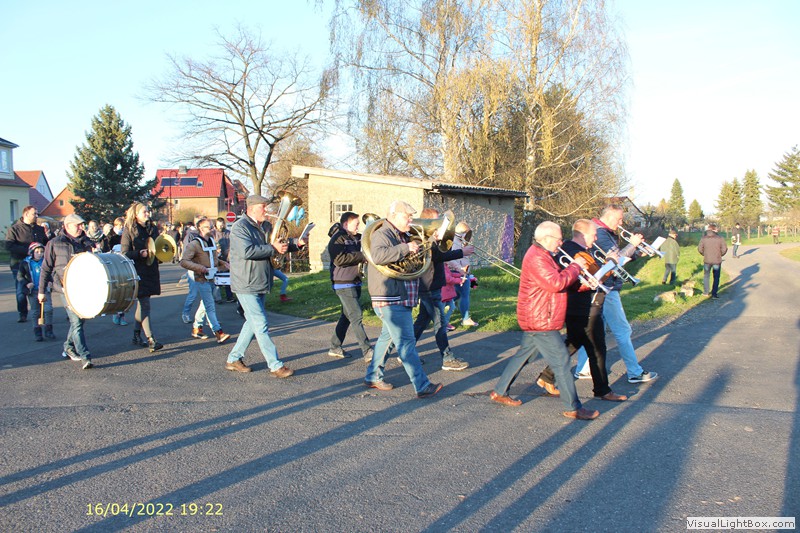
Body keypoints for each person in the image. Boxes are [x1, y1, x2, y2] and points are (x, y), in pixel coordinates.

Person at [489, 221, 599, 420]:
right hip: (540, 319)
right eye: (559, 239)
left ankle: (500, 391)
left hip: (538, 316)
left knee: (524, 355)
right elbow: (556, 283)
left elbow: (559, 281)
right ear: (547, 238)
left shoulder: (544, 254)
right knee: (562, 360)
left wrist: (583, 283)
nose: (561, 243)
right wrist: (576, 266)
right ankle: (573, 407)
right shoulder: (537, 257)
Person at [533, 220, 627, 403]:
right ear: (582, 235)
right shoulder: (575, 252)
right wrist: (611, 262)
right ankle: (602, 390)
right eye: (593, 235)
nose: (596, 238)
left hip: (577, 304)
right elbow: (596, 276)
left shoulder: (571, 248)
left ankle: (547, 377)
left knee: (574, 341)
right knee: (597, 349)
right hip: (584, 305)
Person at [363, 200, 442, 398]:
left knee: (386, 339)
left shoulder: (401, 235)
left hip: (399, 296)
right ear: (394, 216)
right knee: (406, 343)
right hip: (390, 298)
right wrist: (406, 248)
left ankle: (373, 376)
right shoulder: (383, 234)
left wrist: (429, 242)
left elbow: (414, 254)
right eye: (407, 216)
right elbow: (378, 256)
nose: (410, 220)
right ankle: (422, 385)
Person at [573, 205, 659, 384]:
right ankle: (634, 372)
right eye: (619, 219)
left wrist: (637, 252)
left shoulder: (604, 233)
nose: (621, 223)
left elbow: (618, 257)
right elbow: (616, 260)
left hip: (603, 287)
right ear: (609, 216)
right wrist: (632, 244)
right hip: (607, 287)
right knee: (623, 330)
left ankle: (583, 368)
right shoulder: (601, 234)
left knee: (595, 330)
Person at [225, 194, 305, 376]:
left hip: (260, 280)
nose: (267, 210)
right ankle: (275, 365)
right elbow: (247, 251)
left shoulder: (265, 226)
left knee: (252, 323)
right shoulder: (240, 227)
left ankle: (233, 358)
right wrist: (273, 248)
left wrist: (296, 244)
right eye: (263, 207)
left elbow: (279, 243)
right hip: (246, 282)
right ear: (252, 208)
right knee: (260, 323)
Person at [411, 208, 473, 371]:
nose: (440, 224)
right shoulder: (421, 239)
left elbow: (440, 255)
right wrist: (461, 252)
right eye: (437, 220)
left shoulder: (431, 239)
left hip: (433, 284)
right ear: (428, 222)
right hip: (429, 285)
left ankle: (406, 353)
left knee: (422, 322)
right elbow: (437, 257)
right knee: (440, 323)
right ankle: (448, 358)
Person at [38, 214, 94, 369]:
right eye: (77, 225)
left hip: (82, 288)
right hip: (64, 288)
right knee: (76, 321)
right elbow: (46, 268)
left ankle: (68, 347)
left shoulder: (86, 242)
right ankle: (85, 356)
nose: (81, 227)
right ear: (67, 226)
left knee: (81, 319)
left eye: (82, 225)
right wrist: (41, 291)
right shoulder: (54, 243)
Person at [326, 211, 373, 362]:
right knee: (356, 315)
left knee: (347, 316)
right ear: (346, 224)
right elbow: (339, 259)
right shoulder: (337, 239)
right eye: (356, 224)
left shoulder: (357, 237)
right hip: (343, 282)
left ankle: (335, 346)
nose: (359, 226)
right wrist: (362, 256)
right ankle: (367, 350)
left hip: (355, 281)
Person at [180, 217, 231, 344]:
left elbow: (214, 259)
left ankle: (196, 328)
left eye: (212, 226)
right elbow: (184, 261)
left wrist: (223, 263)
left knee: (205, 304)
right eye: (209, 227)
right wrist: (200, 268)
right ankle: (218, 332)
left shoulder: (212, 241)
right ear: (201, 229)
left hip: (212, 277)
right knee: (210, 306)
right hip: (201, 279)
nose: (212, 229)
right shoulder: (194, 244)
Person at [121, 202, 164, 353]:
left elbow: (158, 246)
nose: (147, 214)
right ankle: (151, 339)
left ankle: (136, 335)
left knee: (143, 304)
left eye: (147, 211)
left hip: (151, 270)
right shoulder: (129, 229)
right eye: (144, 212)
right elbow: (125, 253)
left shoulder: (152, 228)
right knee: (145, 304)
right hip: (137, 271)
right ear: (136, 214)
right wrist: (139, 253)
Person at [5, 205, 48, 322]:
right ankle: (22, 313)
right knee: (21, 290)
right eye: (34, 214)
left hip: (37, 264)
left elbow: (46, 243)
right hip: (19, 264)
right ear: (26, 214)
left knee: (39, 288)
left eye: (37, 213)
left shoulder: (39, 229)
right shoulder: (14, 229)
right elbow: (9, 245)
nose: (36, 216)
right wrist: (27, 251)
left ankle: (40, 313)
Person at [18, 242, 54, 341]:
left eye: (42, 251)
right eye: (37, 252)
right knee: (35, 311)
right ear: (32, 252)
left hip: (44, 290)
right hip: (33, 291)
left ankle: (48, 329)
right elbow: (20, 276)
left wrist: (50, 281)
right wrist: (26, 283)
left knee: (48, 309)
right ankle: (37, 331)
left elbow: (51, 273)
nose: (40, 254)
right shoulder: (25, 263)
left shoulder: (46, 262)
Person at [446, 222, 479, 327]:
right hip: (458, 271)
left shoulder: (460, 241)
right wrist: (460, 269)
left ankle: (445, 308)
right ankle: (465, 318)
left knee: (457, 295)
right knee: (465, 294)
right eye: (467, 233)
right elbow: (449, 258)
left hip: (462, 271)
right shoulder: (454, 242)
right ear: (462, 232)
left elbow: (462, 257)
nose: (468, 236)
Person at [180, 215, 203, 323]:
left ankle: (206, 317)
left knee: (207, 296)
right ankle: (185, 313)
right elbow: (186, 253)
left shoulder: (206, 236)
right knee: (193, 294)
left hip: (205, 268)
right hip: (194, 268)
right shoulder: (190, 235)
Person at [107, 217, 128, 326]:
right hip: (114, 264)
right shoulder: (110, 237)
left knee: (125, 290)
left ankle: (122, 315)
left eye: (123, 226)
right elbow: (106, 250)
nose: (121, 227)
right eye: (120, 225)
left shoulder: (125, 236)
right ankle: (115, 313)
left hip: (123, 263)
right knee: (116, 290)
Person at [698, 222, 727, 299]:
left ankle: (706, 292)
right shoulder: (720, 238)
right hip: (717, 260)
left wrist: (704, 254)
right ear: (714, 229)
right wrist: (720, 254)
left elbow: (700, 249)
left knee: (706, 276)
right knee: (716, 277)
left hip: (707, 260)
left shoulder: (704, 238)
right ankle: (714, 294)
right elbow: (724, 249)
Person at [211, 218, 234, 301]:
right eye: (219, 225)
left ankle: (229, 296)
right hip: (217, 258)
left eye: (222, 224)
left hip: (227, 258)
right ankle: (217, 298)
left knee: (228, 278)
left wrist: (230, 255)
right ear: (216, 225)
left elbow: (232, 245)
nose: (221, 226)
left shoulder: (228, 233)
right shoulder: (213, 233)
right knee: (217, 278)